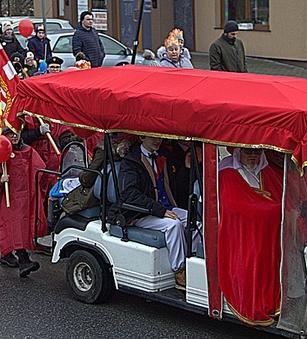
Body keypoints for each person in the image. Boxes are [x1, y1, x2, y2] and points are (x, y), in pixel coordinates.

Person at [107, 135, 196, 289]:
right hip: (140, 212)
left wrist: (187, 169)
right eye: (153, 137)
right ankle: (179, 270)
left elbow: (177, 188)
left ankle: (191, 260)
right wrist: (160, 211)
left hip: (163, 207)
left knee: (195, 221)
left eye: (160, 137)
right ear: (141, 137)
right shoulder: (131, 162)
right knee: (173, 225)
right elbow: (129, 194)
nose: (158, 141)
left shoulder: (164, 157)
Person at [217, 147, 283, 325]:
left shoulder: (266, 172)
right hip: (242, 232)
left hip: (269, 229)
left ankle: (271, 300)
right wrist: (270, 210)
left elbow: (281, 197)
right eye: (248, 152)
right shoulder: (228, 173)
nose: (253, 156)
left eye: (257, 152)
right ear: (238, 153)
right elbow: (235, 206)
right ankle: (252, 303)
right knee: (253, 257)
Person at [0, 127, 47, 277]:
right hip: (8, 198)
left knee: (22, 226)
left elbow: (39, 169)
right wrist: (0, 180)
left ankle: (6, 255)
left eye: (16, 133)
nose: (14, 136)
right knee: (14, 226)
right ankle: (23, 260)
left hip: (25, 198)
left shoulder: (28, 150)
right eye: (10, 134)